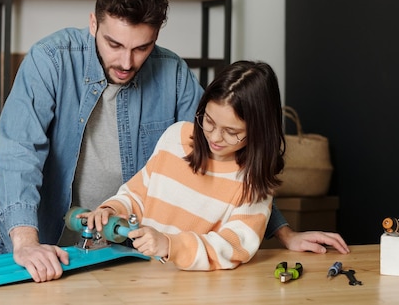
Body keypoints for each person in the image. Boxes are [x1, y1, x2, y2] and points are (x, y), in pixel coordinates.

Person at [0, 0, 348, 283]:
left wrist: (284, 234)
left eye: (141, 48)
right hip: (47, 248)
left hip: (133, 258)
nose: (126, 62)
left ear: (156, 36)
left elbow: (223, 159)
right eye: (114, 44)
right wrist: (26, 243)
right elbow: (17, 155)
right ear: (93, 23)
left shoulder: (173, 73)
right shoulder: (50, 61)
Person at [77, 60, 284, 270]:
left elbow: (234, 246)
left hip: (196, 289)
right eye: (209, 121)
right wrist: (113, 210)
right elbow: (138, 195)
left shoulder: (253, 182)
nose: (215, 137)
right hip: (140, 276)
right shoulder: (176, 137)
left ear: (259, 132)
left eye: (232, 132)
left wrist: (170, 245)